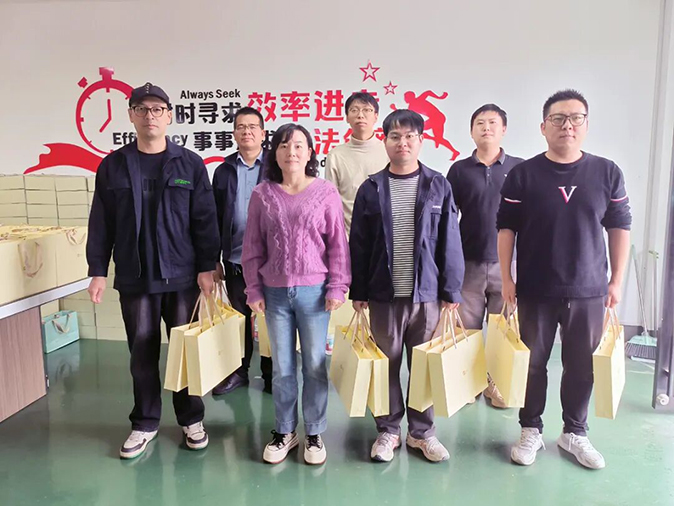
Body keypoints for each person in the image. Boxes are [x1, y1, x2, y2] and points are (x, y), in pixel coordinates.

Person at [497, 89, 631, 470]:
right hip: (535, 289)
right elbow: (505, 229)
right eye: (558, 118)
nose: (567, 125)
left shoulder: (607, 172)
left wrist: (616, 280)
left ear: (586, 125)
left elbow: (620, 228)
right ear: (543, 127)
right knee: (531, 363)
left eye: (575, 118)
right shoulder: (523, 175)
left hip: (589, 290)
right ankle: (530, 429)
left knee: (582, 365)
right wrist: (507, 278)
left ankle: (575, 432)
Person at [87, 82, 220, 459]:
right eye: (142, 109)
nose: (150, 116)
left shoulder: (189, 163)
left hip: (182, 277)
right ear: (131, 115)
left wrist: (207, 267)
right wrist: (98, 270)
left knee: (184, 352)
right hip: (135, 277)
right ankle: (144, 422)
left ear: (170, 116)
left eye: (158, 109)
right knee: (141, 352)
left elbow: (204, 219)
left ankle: (191, 418)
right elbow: (101, 222)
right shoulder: (113, 165)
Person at [350, 109, 465, 463]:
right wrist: (359, 291)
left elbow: (450, 240)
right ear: (384, 141)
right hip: (383, 295)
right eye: (395, 136)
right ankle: (388, 431)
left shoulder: (438, 185)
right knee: (385, 365)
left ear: (421, 140)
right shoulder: (371, 188)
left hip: (426, 296)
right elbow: (359, 244)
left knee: (423, 368)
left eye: (410, 136)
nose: (403, 143)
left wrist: (451, 290)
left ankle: (422, 433)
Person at [242, 123, 351, 465]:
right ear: (274, 153)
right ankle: (285, 431)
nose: (292, 152)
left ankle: (314, 432)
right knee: (282, 367)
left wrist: (337, 286)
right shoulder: (262, 194)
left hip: (315, 294)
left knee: (315, 365)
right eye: (284, 145)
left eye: (299, 145)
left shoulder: (325, 192)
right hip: (274, 295)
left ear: (310, 153)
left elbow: (337, 245)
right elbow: (252, 247)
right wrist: (253, 289)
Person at [446, 103, 524, 409]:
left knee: (504, 329)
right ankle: (469, 383)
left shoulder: (519, 169)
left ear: (503, 129)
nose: (486, 128)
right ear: (471, 131)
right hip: (469, 262)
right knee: (467, 328)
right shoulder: (459, 170)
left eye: (493, 123)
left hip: (509, 264)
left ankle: (497, 383)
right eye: (480, 123)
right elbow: (448, 218)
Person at [211, 107, 273, 395]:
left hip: (272, 263)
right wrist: (214, 259)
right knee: (239, 319)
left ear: (263, 133)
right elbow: (213, 216)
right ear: (234, 133)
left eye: (252, 127)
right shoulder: (223, 171)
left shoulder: (276, 167)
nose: (246, 131)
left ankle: (272, 376)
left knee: (272, 321)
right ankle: (238, 372)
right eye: (241, 127)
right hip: (235, 260)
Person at [325, 91, 389, 235]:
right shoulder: (336, 155)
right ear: (347, 117)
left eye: (367, 110)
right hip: (347, 237)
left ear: (376, 116)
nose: (360, 115)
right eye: (354, 110)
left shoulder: (388, 151)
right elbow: (331, 203)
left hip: (383, 235)